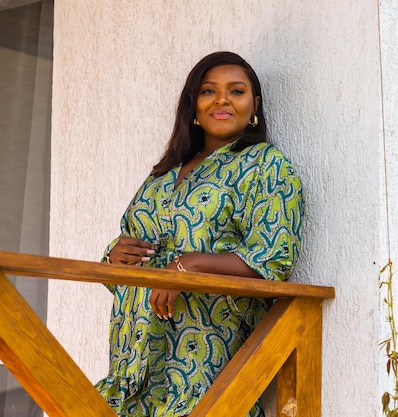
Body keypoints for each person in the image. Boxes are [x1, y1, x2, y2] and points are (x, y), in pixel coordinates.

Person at [95, 51, 304, 417]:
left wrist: (188, 266)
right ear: (194, 106)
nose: (221, 100)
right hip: (132, 362)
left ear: (254, 105)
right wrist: (115, 255)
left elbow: (273, 258)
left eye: (236, 91)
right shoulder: (162, 173)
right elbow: (131, 245)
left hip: (199, 362)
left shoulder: (265, 165)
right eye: (209, 91)